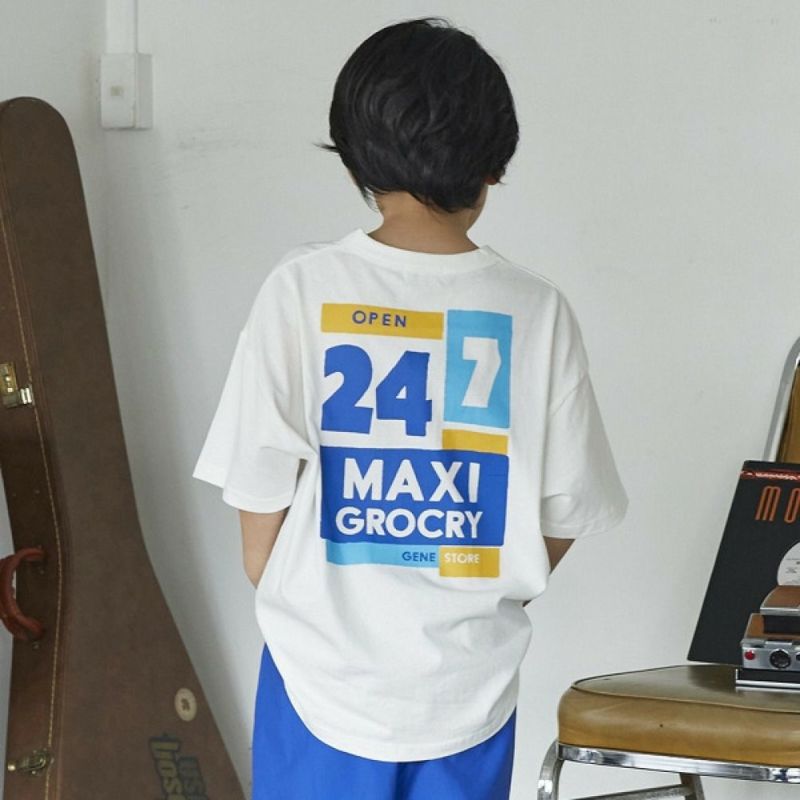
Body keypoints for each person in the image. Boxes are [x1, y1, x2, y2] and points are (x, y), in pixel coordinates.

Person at [192, 16, 628, 800]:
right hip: (467, 686)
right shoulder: (536, 310)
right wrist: (486, 583)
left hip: (318, 676)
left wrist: (299, 588)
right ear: (494, 165)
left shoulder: (302, 289)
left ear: (353, 155)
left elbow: (258, 485)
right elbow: (568, 508)